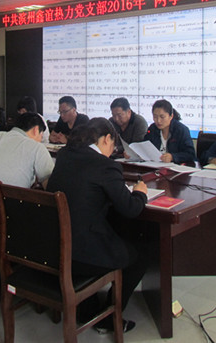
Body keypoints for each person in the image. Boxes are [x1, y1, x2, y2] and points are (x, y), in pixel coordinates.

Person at [47, 118, 147, 333]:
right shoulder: (105, 165)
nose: (112, 151)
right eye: (113, 145)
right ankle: (109, 318)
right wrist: (140, 193)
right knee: (141, 256)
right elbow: (131, 208)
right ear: (107, 138)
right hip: (80, 254)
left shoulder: (65, 154)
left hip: (54, 246)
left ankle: (87, 310)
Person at [0, 113, 55, 235]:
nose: (41, 140)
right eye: (41, 136)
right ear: (36, 130)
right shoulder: (37, 147)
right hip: (11, 219)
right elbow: (50, 187)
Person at [144, 99, 195, 165]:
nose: (158, 121)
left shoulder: (181, 130)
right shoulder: (152, 128)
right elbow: (145, 147)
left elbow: (190, 154)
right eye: (155, 117)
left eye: (162, 117)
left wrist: (172, 157)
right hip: (155, 165)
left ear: (171, 116)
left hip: (176, 167)